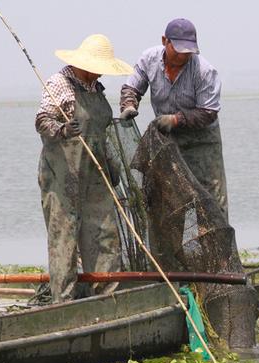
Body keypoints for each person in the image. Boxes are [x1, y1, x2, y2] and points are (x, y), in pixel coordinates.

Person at [35, 34, 133, 303]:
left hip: (96, 178)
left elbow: (103, 135)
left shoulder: (97, 90)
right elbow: (42, 120)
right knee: (64, 239)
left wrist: (113, 168)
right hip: (62, 178)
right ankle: (64, 304)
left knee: (105, 236)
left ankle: (106, 298)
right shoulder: (60, 84)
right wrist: (62, 129)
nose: (99, 72)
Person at [120, 18, 229, 220]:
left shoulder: (205, 71)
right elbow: (132, 88)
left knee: (210, 199)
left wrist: (176, 119)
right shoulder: (148, 59)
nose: (182, 56)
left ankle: (216, 249)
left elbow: (208, 112)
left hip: (202, 142)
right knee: (172, 198)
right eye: (178, 50)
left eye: (188, 51)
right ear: (165, 41)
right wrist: (128, 104)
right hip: (168, 140)